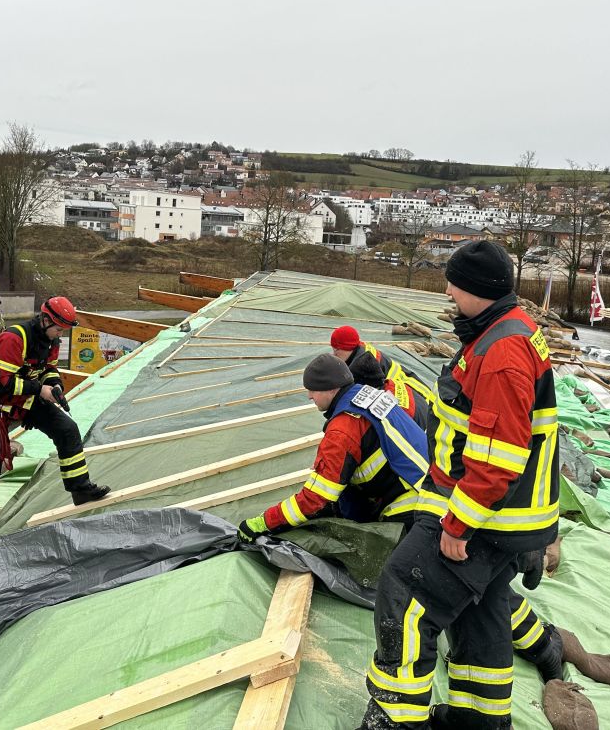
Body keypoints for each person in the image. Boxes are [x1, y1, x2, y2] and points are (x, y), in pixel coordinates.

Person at [360, 241, 561, 730]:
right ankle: (480, 721)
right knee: (482, 611)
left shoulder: (502, 352)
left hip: (485, 516)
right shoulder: (503, 332)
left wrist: (458, 525)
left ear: (478, 289)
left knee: (405, 594)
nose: (447, 291)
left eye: (454, 283)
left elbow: (496, 459)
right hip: (499, 514)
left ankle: (396, 719)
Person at [236, 354, 430, 542]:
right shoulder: (366, 394)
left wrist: (263, 523)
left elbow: (315, 497)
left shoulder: (342, 431)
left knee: (385, 564)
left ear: (331, 388)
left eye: (313, 389)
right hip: (431, 482)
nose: (309, 396)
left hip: (414, 501)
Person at [0, 295, 109, 543]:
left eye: (63, 330)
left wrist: (54, 386)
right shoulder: (14, 338)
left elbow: (48, 369)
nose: (59, 335)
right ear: (44, 320)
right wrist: (39, 390)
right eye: (58, 329)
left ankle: (80, 489)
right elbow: (2, 383)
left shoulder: (50, 340)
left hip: (26, 400)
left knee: (67, 430)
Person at [331, 325, 436, 433]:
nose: (334, 354)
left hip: (414, 396)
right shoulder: (361, 349)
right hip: (414, 387)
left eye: (336, 350)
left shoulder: (361, 367)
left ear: (346, 347)